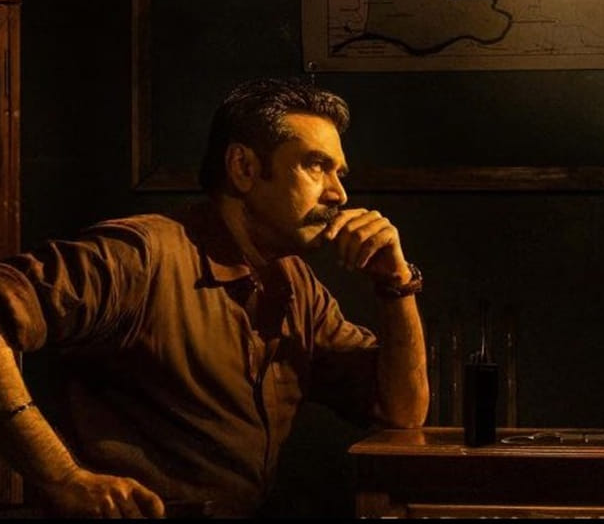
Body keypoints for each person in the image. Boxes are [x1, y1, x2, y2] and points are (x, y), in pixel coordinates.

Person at [0, 77, 429, 518]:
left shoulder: (295, 284)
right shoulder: (142, 255)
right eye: (316, 166)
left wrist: (396, 284)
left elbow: (400, 413)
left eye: (339, 173)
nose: (338, 193)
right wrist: (61, 478)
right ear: (243, 168)